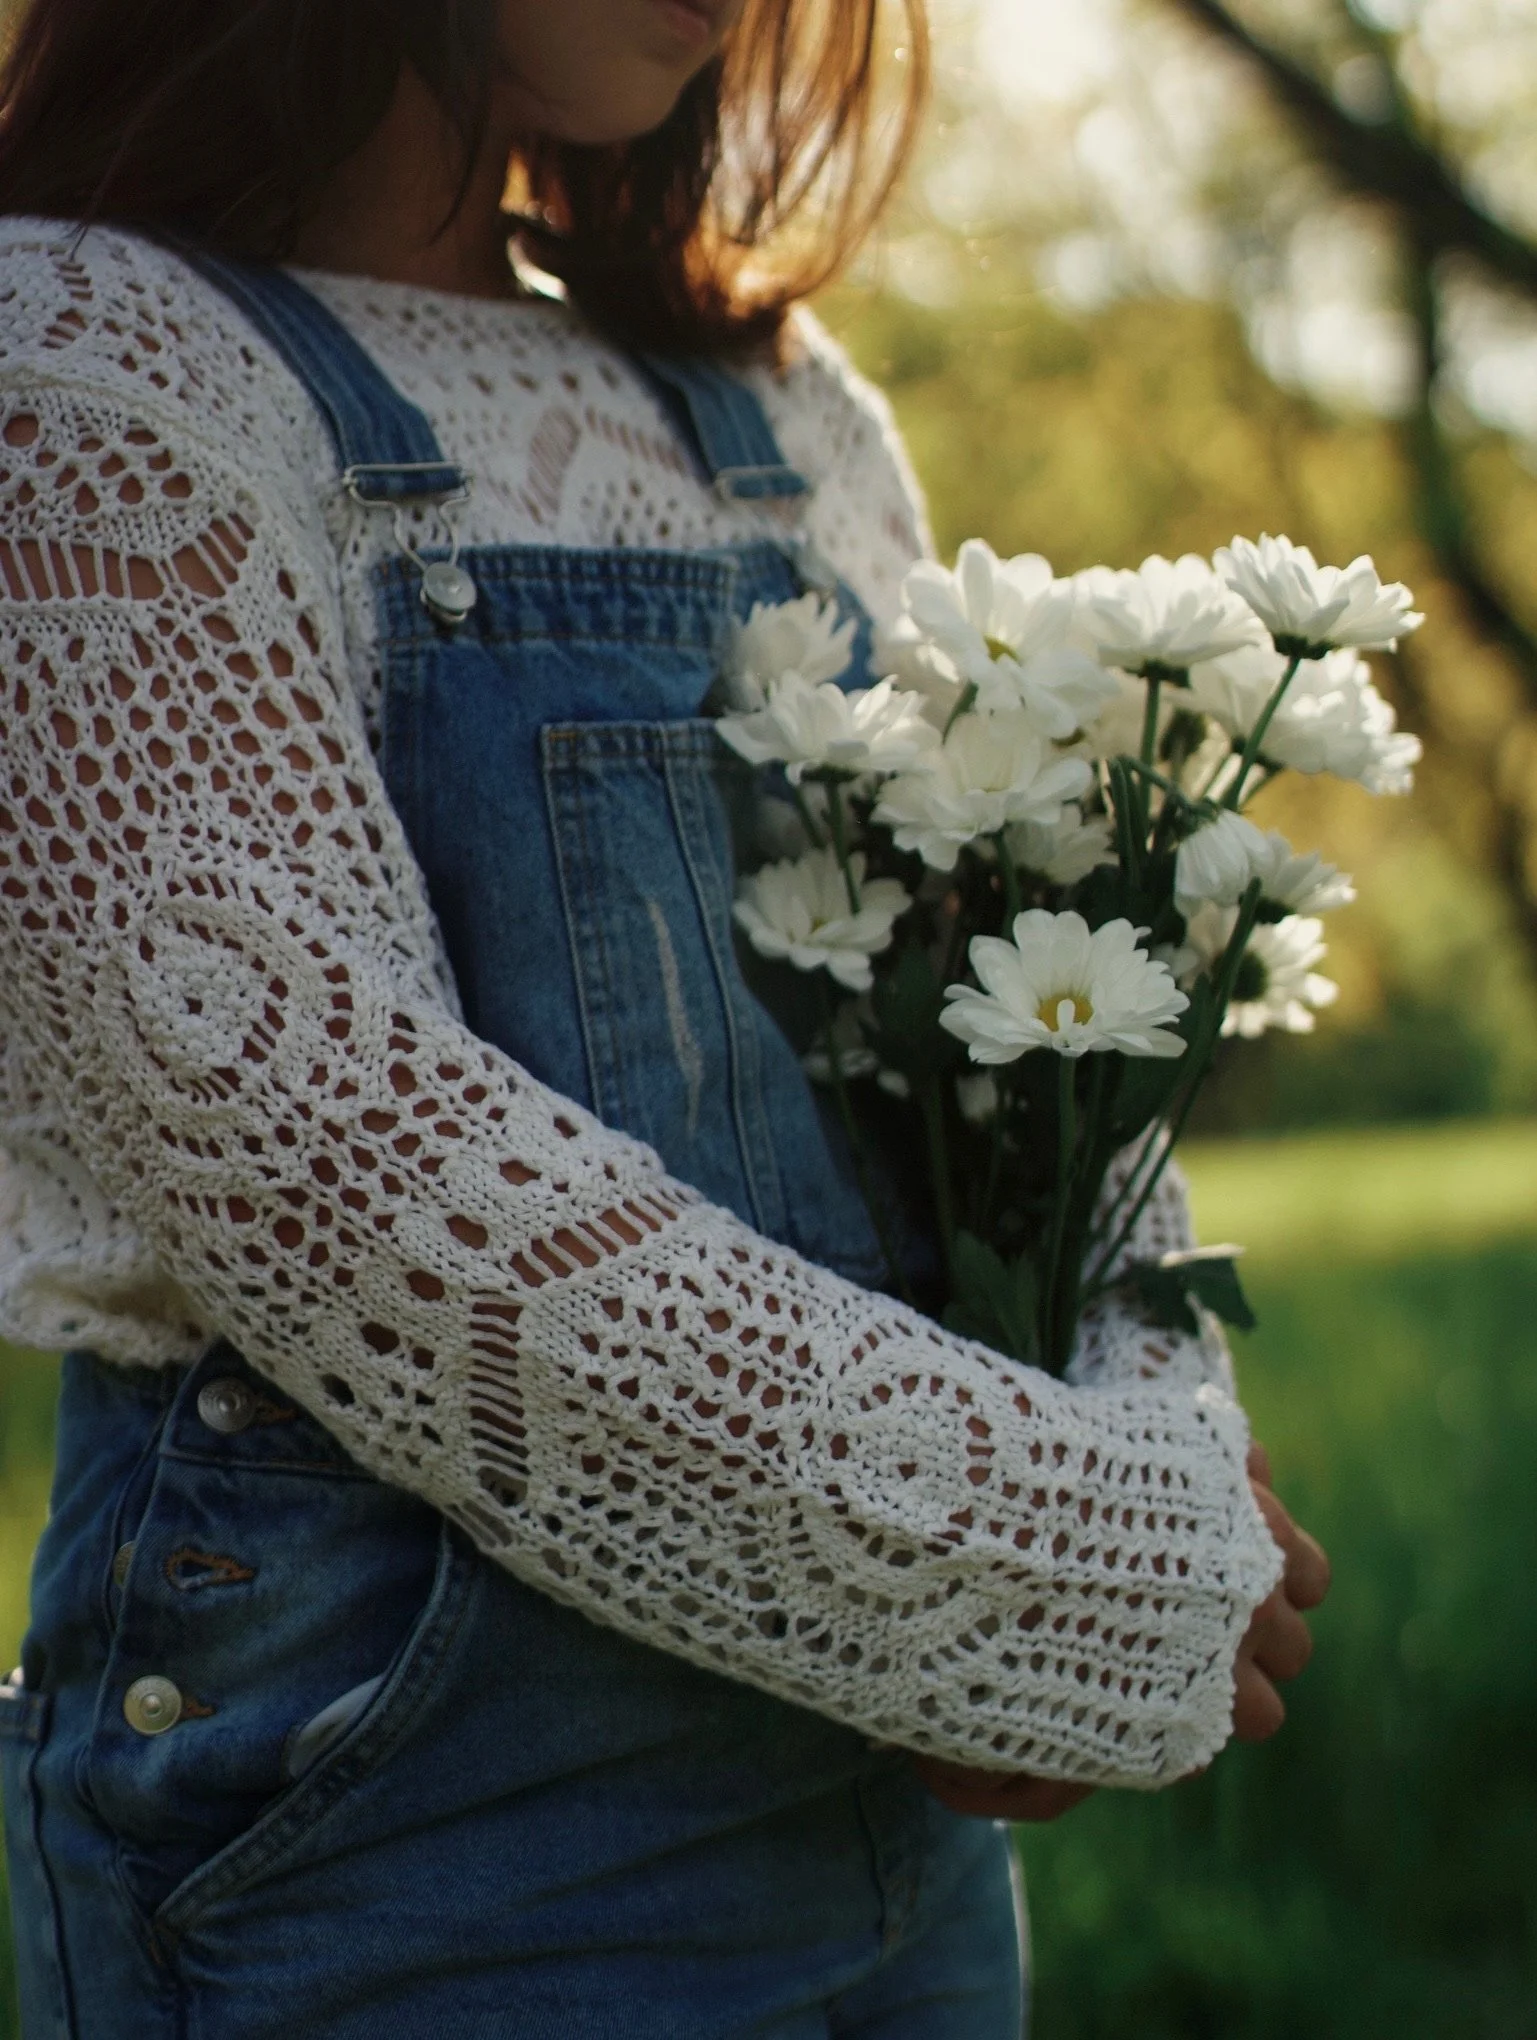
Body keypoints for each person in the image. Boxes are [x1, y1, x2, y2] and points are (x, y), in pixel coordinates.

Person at [0, 2, 1328, 2033]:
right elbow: (341, 1179)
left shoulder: (777, 415)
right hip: (397, 1852)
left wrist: (1147, 1426)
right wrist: (1002, 1558)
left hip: (901, 1843)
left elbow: (1022, 1016)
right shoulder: (89, 364)